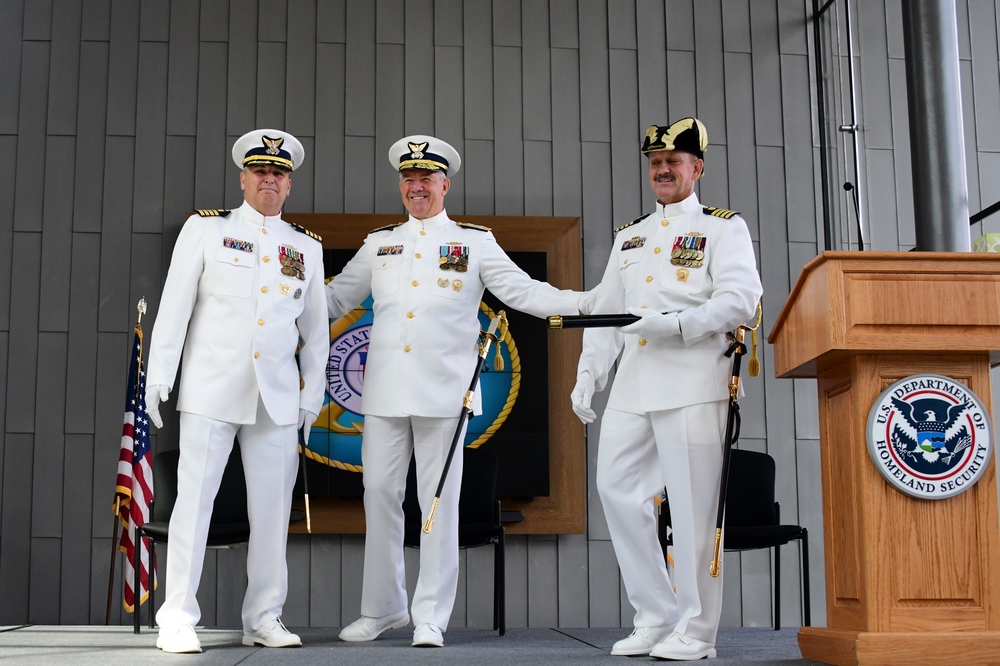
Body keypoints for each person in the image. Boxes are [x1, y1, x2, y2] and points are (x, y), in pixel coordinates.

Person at [326, 135, 595, 648]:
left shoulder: (474, 242)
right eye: (409, 179)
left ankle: (430, 615)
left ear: (444, 185)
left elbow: (522, 291)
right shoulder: (379, 242)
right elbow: (334, 298)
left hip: (444, 394)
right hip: (382, 395)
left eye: (426, 179)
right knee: (379, 495)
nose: (417, 187)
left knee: (438, 501)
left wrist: (583, 302)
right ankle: (383, 608)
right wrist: (272, 312)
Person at [571, 118, 762, 660]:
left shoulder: (723, 229)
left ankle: (698, 633)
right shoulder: (630, 236)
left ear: (695, 168)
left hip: (694, 382)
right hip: (634, 385)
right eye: (655, 163)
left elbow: (740, 300)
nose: (662, 170)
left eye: (672, 162)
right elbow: (608, 313)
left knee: (694, 511)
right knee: (617, 491)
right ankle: (656, 616)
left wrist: (676, 325)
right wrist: (589, 375)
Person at [144, 129, 328, 654]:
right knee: (193, 506)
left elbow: (316, 334)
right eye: (260, 171)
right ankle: (177, 616)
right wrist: (160, 376)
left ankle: (264, 616)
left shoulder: (305, 248)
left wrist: (311, 397)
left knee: (271, 513)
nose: (269, 180)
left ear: (289, 185)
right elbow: (174, 308)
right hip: (210, 390)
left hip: (276, 399)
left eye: (279, 174)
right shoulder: (205, 232)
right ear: (243, 178)